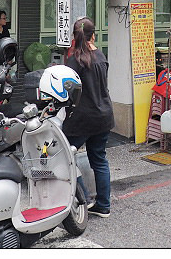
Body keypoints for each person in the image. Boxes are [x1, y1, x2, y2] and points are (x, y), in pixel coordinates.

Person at [62, 17, 114, 218]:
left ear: (75, 36)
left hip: (83, 119)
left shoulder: (75, 60)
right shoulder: (101, 56)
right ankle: (103, 205)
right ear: (93, 35)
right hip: (104, 115)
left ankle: (83, 198)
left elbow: (67, 90)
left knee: (65, 157)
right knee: (99, 159)